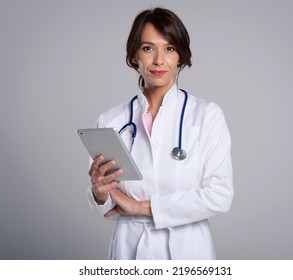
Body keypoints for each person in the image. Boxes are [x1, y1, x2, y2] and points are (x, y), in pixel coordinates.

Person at [87, 7, 233, 260]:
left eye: (169, 48)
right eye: (147, 48)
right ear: (134, 56)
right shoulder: (111, 120)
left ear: (180, 57)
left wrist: (141, 207)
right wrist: (99, 193)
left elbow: (219, 196)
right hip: (128, 248)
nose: (158, 60)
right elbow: (106, 203)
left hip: (188, 249)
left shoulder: (206, 115)